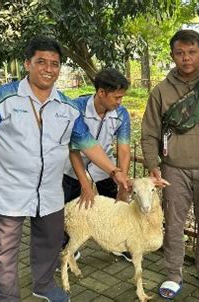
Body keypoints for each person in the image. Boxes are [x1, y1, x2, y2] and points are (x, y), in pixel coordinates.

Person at [0, 36, 128, 302]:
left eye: (54, 63)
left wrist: (114, 171)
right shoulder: (1, 99)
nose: (48, 69)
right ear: (27, 63)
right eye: (41, 62)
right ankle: (5, 297)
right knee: (4, 251)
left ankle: (43, 285)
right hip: (10, 191)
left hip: (50, 193)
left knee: (50, 243)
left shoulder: (66, 107)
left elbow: (87, 144)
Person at [141, 29, 199, 299]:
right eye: (180, 53)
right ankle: (173, 274)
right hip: (174, 170)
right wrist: (152, 164)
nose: (186, 58)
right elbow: (149, 133)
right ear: (172, 55)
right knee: (173, 223)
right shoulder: (161, 91)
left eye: (191, 52)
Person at [62, 67, 132, 261]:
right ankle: (67, 248)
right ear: (101, 93)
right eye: (116, 97)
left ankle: (119, 243)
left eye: (122, 97)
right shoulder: (76, 109)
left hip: (105, 169)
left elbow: (124, 149)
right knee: (67, 208)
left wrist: (123, 182)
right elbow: (73, 150)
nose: (120, 102)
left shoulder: (121, 114)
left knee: (116, 208)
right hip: (72, 168)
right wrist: (85, 184)